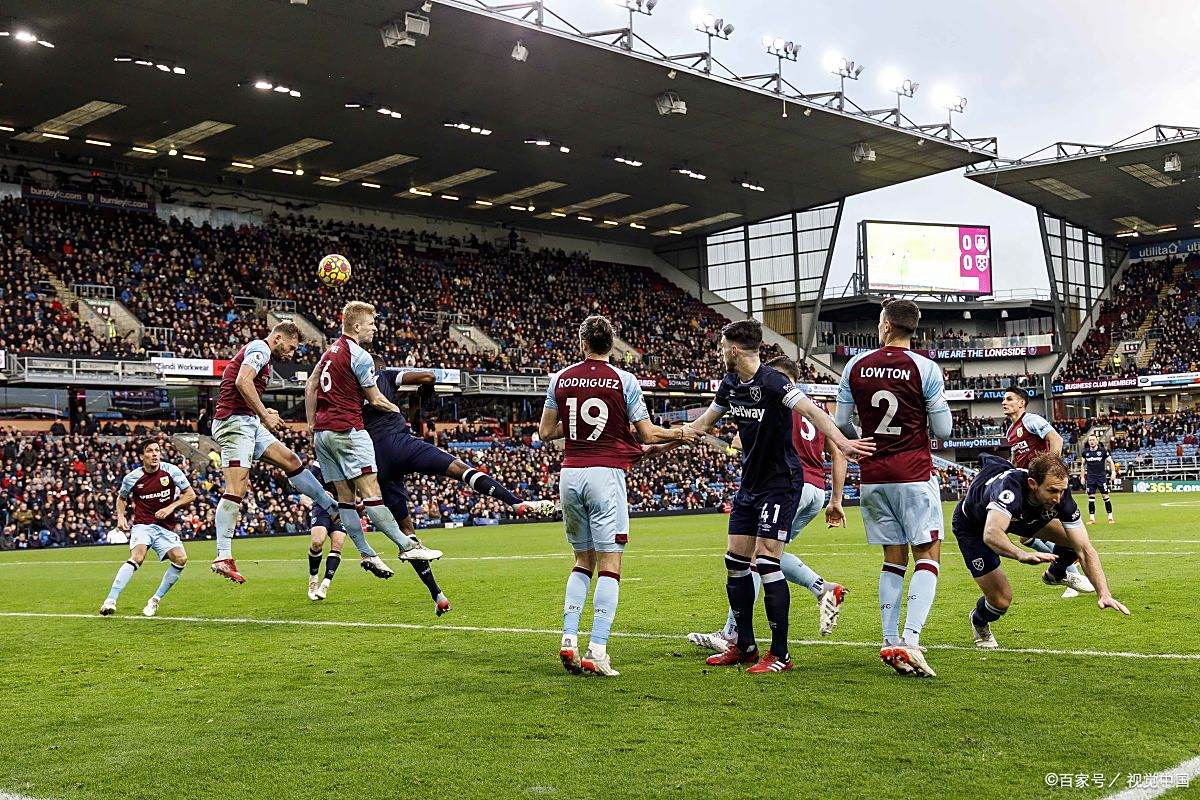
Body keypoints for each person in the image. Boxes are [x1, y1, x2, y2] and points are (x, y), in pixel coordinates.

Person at [683, 320, 872, 675]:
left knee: (767, 562)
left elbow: (814, 412)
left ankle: (780, 654)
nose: (720, 352)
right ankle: (745, 646)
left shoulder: (774, 382)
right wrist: (654, 439)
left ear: (734, 350)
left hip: (781, 484)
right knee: (735, 563)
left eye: (722, 347)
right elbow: (702, 425)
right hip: (750, 485)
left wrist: (844, 443)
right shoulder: (729, 385)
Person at [539, 315, 699, 677]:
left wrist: (577, 420)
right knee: (610, 564)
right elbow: (646, 435)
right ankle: (597, 649)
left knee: (582, 560)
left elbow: (546, 431)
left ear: (582, 343)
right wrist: (680, 434)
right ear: (612, 345)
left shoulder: (561, 379)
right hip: (605, 476)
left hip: (570, 473)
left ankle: (568, 640)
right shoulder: (624, 380)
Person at [364, 357, 554, 615]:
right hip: (401, 443)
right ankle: (516, 503)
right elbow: (428, 375)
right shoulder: (385, 377)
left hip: (375, 458)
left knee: (407, 533)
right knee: (459, 470)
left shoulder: (348, 391)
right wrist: (423, 396)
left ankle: (438, 595)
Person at [835, 298, 951, 678]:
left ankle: (888, 640)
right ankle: (911, 640)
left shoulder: (855, 365)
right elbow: (946, 430)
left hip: (873, 477)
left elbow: (842, 424)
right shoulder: (925, 368)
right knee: (928, 556)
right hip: (914, 474)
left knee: (892, 559)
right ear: (912, 328)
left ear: (885, 325)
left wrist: (862, 440)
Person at [306, 301, 443, 576]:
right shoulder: (360, 356)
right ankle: (407, 545)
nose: (374, 328)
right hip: (349, 432)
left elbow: (311, 385)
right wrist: (396, 410)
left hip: (323, 435)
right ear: (356, 327)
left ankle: (367, 553)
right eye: (371, 324)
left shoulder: (329, 352)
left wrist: (312, 424)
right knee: (371, 494)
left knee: (345, 499)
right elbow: (375, 399)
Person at [210, 322, 348, 584]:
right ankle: (222, 556)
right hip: (233, 422)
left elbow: (243, 385)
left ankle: (330, 507)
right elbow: (242, 381)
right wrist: (264, 414)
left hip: (247, 421)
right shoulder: (261, 349)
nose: (292, 353)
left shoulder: (265, 356)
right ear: (279, 337)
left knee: (291, 461)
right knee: (236, 487)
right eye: (291, 347)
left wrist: (261, 412)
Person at [953, 453, 1130, 649]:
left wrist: (1103, 593)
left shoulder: (1061, 497)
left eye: (1062, 491)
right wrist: (1022, 554)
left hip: (1019, 518)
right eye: (1052, 490)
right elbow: (991, 533)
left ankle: (1055, 574)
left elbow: (1085, 549)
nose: (1058, 498)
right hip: (973, 527)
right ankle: (979, 621)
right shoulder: (1010, 489)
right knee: (1001, 601)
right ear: (1032, 483)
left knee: (1074, 542)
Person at [1001, 390, 1091, 594]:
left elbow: (1056, 439)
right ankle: (1068, 572)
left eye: (1009, 399)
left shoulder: (1031, 420)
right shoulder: (1011, 431)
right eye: (1004, 399)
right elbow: (1017, 460)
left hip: (1043, 488)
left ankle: (1069, 576)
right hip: (1029, 488)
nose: (1004, 402)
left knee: (1067, 537)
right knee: (1027, 538)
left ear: (1022, 403)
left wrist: (1050, 471)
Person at [100, 440, 195, 617]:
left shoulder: (171, 471)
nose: (155, 454)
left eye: (157, 450)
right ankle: (110, 600)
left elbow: (190, 495)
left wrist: (170, 507)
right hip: (143, 524)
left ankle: (155, 600)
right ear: (142, 456)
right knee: (138, 556)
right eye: (150, 451)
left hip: (165, 527)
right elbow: (122, 498)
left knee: (181, 559)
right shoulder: (132, 478)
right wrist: (120, 516)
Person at [303, 462, 345, 602]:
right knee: (317, 543)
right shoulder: (320, 461)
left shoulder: (349, 460)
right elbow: (307, 481)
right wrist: (319, 491)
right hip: (322, 506)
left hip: (343, 508)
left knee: (337, 544)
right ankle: (313, 577)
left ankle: (325, 584)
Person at [1079, 433, 1117, 525]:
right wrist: (1082, 476)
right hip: (1091, 478)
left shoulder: (1103, 451)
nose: (1091, 442)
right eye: (1090, 440)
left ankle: (1110, 517)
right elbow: (1083, 466)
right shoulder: (1086, 453)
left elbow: (1111, 462)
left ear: (1097, 441)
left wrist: (1113, 472)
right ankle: (1092, 519)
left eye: (1093, 440)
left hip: (1101, 478)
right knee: (1091, 498)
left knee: (1105, 497)